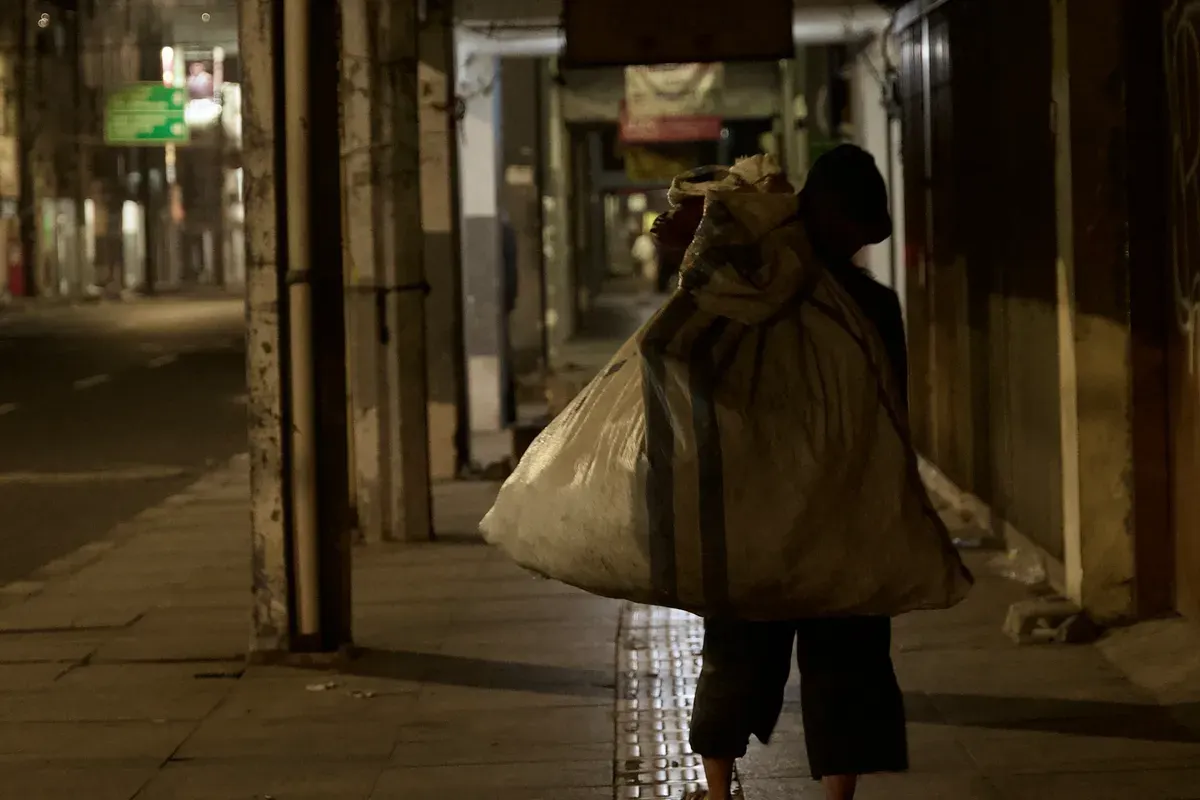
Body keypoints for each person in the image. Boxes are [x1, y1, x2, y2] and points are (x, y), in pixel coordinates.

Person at [654, 144, 908, 800]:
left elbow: (684, 365)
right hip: (837, 516)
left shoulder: (751, 295)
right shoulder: (862, 305)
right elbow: (893, 416)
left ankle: (717, 792)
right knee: (842, 663)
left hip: (754, 512)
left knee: (739, 655)